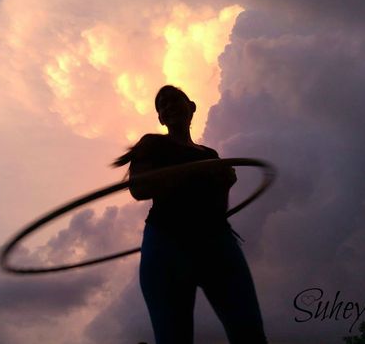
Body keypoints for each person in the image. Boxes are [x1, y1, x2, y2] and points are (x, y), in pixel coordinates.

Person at [113, 85, 267, 344]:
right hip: (166, 244)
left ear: (192, 106)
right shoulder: (152, 144)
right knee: (173, 338)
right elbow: (139, 189)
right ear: (160, 118)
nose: (169, 106)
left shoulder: (210, 156)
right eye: (162, 105)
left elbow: (218, 210)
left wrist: (225, 185)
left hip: (216, 241)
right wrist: (192, 172)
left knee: (250, 334)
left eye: (175, 99)